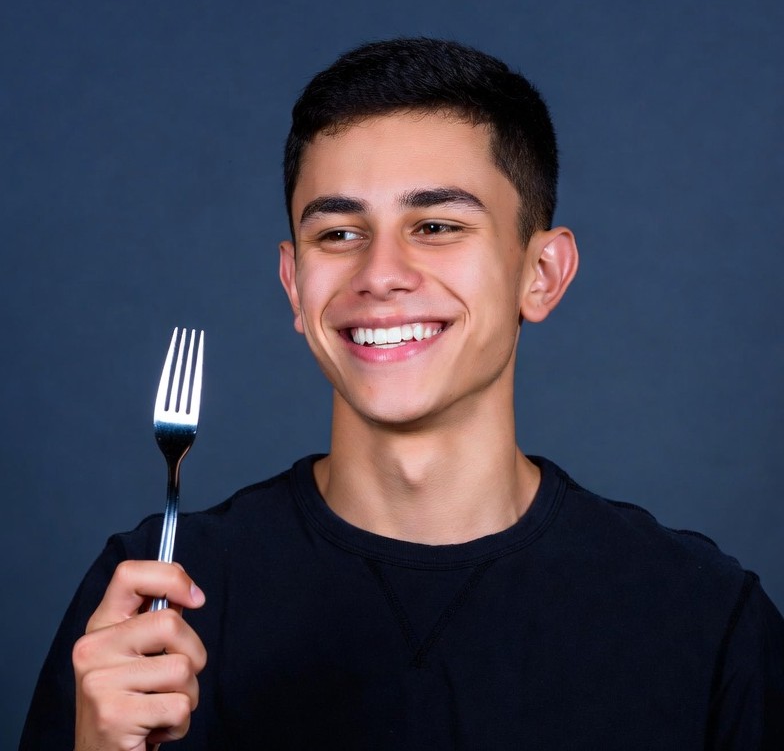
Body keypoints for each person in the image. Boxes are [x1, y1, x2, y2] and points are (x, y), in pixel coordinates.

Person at [20, 37, 784, 750]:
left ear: (542, 273)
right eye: (338, 234)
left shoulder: (705, 617)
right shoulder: (148, 600)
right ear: (294, 284)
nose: (380, 274)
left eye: (438, 226)